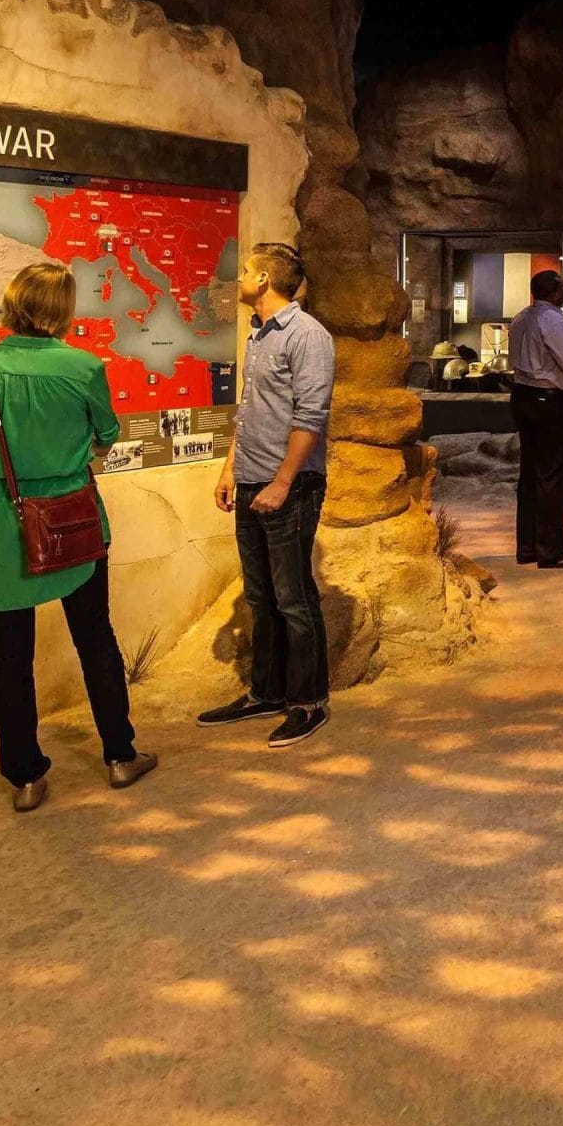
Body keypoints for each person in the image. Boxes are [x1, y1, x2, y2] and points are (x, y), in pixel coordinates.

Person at [0, 262, 156, 812]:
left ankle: (25, 776)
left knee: (10, 654)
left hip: (0, 519)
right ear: (63, 310)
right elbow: (108, 433)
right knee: (95, 638)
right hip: (69, 517)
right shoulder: (84, 366)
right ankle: (119, 755)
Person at [198, 242, 338, 749]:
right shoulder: (259, 335)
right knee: (261, 597)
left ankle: (308, 702)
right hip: (252, 481)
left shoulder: (308, 336)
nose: (238, 280)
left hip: (291, 486)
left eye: (245, 272)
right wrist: (228, 470)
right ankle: (268, 691)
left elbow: (311, 418)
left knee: (294, 599)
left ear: (262, 280)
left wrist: (282, 483)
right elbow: (251, 412)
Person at [509, 268, 563, 569]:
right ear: (555, 292)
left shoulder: (521, 318)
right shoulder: (552, 319)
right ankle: (551, 551)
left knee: (530, 473)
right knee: (554, 474)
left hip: (523, 396)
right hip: (549, 402)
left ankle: (527, 546)